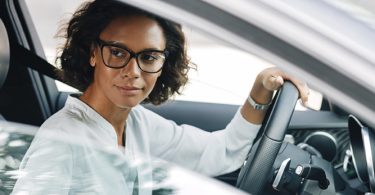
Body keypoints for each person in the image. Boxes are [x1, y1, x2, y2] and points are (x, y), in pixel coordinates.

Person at [12, 0, 309, 194]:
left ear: (163, 63)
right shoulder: (63, 139)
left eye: (149, 57)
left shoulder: (138, 124)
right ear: (92, 53)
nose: (133, 71)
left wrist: (260, 88)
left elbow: (222, 151)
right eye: (118, 52)